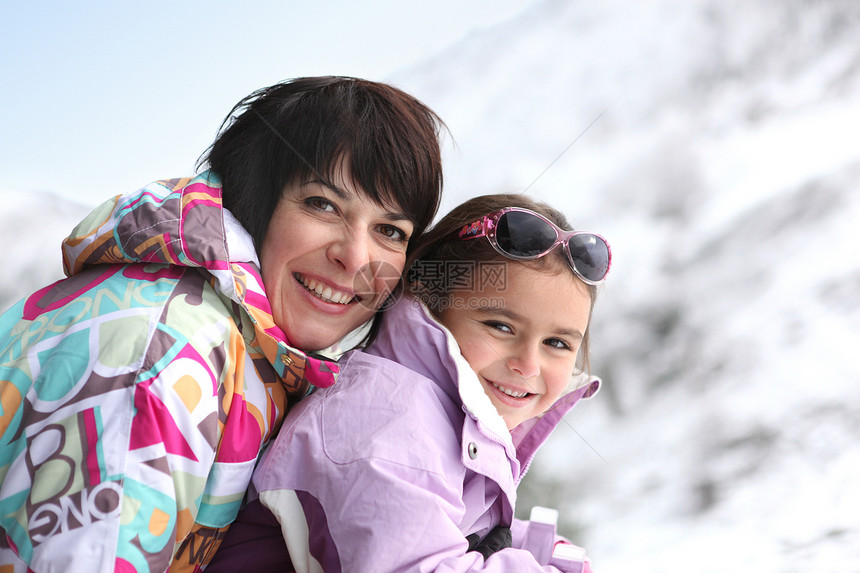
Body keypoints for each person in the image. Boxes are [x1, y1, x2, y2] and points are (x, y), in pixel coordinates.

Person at [0, 76, 444, 572]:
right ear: (254, 201)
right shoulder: (162, 353)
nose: (356, 257)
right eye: (322, 204)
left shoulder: (251, 348)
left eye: (390, 230)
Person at [208, 194, 610, 571]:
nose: (527, 365)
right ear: (430, 301)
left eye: (556, 343)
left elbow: (436, 525)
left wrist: (538, 549)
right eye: (500, 326)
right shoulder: (386, 422)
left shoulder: (440, 414)